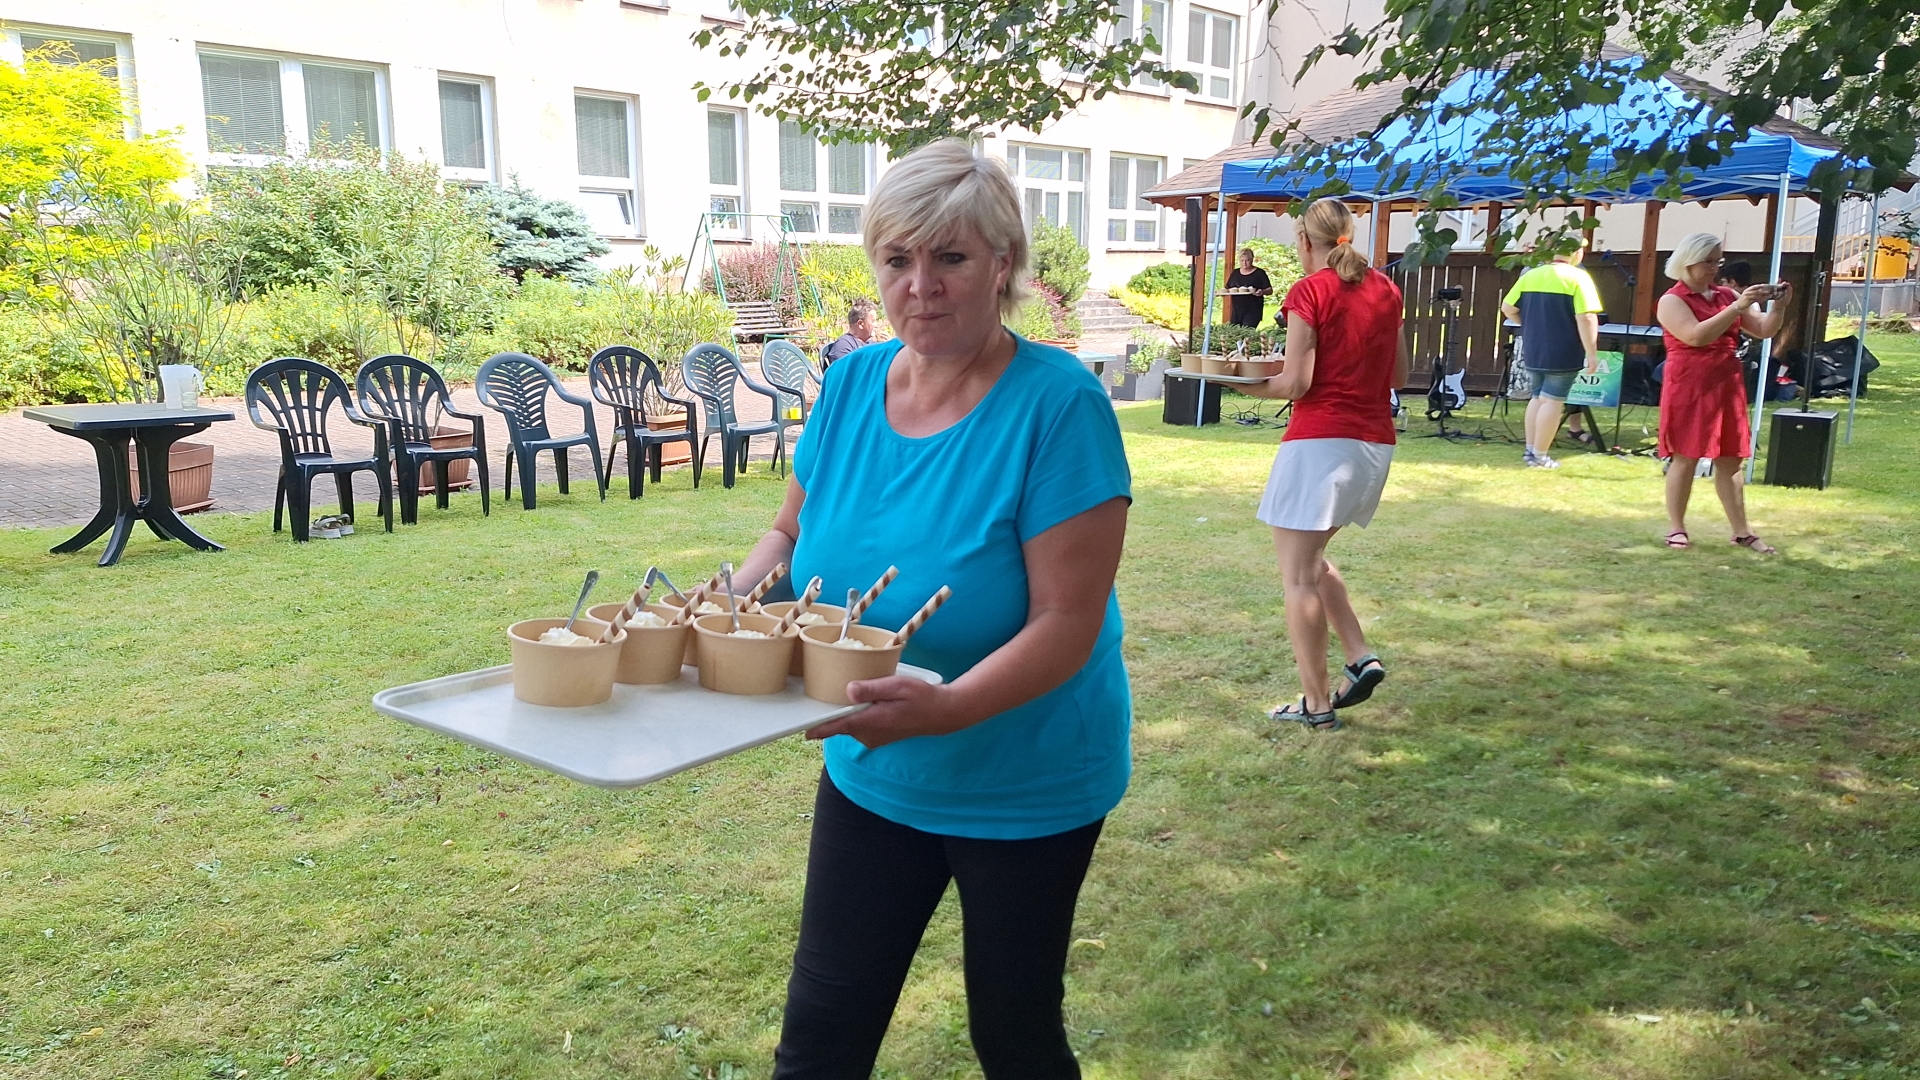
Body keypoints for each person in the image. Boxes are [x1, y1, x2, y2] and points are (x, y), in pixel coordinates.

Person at [733, 139, 1132, 1078]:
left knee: (1014, 1032)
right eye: (897, 259)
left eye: (950, 256)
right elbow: (788, 535)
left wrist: (947, 708)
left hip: (1025, 777)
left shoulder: (1060, 406)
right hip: (873, 761)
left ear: (1003, 264)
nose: (921, 286)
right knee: (822, 1035)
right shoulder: (849, 383)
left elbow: (1067, 622)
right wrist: (730, 604)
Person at [1242, 199, 1408, 731]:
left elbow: (1294, 383)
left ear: (1302, 241)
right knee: (1311, 560)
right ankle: (1360, 657)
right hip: (1374, 445)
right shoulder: (1385, 289)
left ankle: (1316, 706)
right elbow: (1399, 375)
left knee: (1297, 578)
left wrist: (1227, 382)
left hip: (1320, 444)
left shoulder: (1308, 291)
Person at [1655, 232, 1791, 553]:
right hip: (1689, 383)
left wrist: (1779, 307)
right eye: (1708, 261)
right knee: (1685, 456)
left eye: (1718, 261)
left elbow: (1763, 329)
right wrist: (1737, 307)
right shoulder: (1672, 300)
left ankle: (1742, 531)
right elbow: (1695, 336)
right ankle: (1677, 528)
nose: (1715, 267)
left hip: (1726, 382)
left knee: (1731, 459)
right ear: (1688, 261)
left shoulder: (1726, 294)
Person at [1500, 241, 1603, 467]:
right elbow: (1586, 317)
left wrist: (1527, 325)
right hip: (1564, 348)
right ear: (1576, 253)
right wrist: (1592, 352)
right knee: (1553, 401)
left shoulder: (1531, 275)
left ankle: (1530, 451)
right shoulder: (1578, 277)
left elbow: (1507, 308)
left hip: (1534, 347)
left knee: (1537, 398)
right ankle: (1540, 456)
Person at [1225, 247, 1274, 328]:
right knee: (1234, 331)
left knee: (1247, 331)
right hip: (1237, 311)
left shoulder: (1259, 273)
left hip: (1253, 310)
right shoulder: (1235, 273)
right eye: (1242, 261)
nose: (1244, 263)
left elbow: (1270, 290)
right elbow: (1228, 288)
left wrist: (1262, 292)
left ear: (1252, 260)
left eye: (1247, 260)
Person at [821, 298, 876, 368]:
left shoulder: (872, 344)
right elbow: (845, 372)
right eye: (873, 321)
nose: (876, 325)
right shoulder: (844, 346)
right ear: (860, 324)